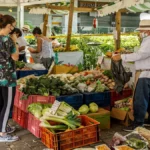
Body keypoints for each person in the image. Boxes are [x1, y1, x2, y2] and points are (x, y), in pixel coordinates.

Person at [112, 13, 150, 131]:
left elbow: (141, 55)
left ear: (147, 31)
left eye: (142, 31)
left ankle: (138, 126)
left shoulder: (148, 41)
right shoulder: (147, 41)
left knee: (140, 100)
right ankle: (144, 123)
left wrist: (123, 57)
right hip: (146, 73)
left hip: (145, 75)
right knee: (147, 99)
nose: (140, 33)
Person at [0, 14, 19, 142]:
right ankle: (2, 134)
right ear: (8, 26)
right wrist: (15, 41)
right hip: (8, 77)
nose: (12, 29)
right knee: (7, 105)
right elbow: (15, 57)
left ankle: (3, 127)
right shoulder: (8, 40)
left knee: (0, 103)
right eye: (12, 26)